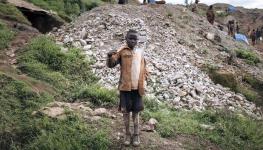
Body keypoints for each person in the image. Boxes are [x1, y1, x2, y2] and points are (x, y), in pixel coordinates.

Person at [106, 29, 148, 147]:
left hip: (137, 88)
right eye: (130, 38)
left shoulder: (140, 52)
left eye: (135, 39)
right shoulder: (122, 51)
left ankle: (136, 134)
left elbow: (144, 67)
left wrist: (145, 81)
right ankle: (127, 134)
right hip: (125, 88)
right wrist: (109, 56)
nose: (133, 41)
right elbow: (111, 65)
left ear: (138, 40)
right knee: (125, 113)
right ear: (126, 39)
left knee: (136, 113)